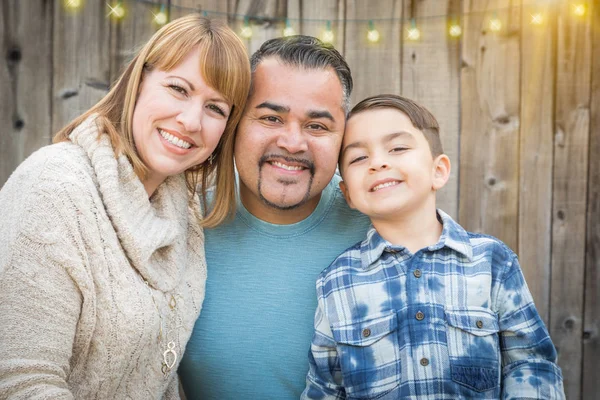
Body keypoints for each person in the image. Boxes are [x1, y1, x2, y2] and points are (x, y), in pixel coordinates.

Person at [0, 15, 250, 399]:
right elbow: (20, 383)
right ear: (139, 81)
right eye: (178, 88)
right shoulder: (56, 189)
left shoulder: (183, 209)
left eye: (215, 108)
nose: (191, 120)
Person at [301, 94, 565, 399]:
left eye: (397, 148)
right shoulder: (338, 282)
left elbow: (531, 364)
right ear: (347, 193)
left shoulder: (492, 262)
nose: (378, 162)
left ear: (438, 171)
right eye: (359, 158)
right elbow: (325, 387)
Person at [178, 36, 371, 398]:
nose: (293, 143)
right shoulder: (182, 218)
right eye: (271, 118)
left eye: (317, 126)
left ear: (344, 137)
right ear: (235, 123)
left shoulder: (378, 227)